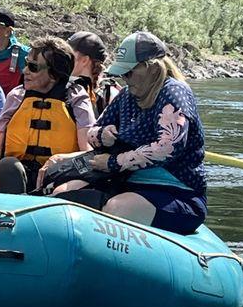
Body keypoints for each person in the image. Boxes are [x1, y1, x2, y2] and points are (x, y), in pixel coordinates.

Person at [51, 31, 207, 234]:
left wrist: (113, 162)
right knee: (63, 191)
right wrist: (102, 135)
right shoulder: (126, 95)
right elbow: (93, 132)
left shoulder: (174, 91)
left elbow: (168, 148)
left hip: (178, 194)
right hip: (126, 183)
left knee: (118, 208)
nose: (125, 79)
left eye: (129, 73)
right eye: (122, 74)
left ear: (151, 68)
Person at [0, 36, 96, 194]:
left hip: (58, 175)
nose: (25, 70)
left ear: (54, 74)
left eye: (33, 67)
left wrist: (58, 160)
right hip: (18, 175)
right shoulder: (16, 96)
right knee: (8, 165)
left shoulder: (76, 97)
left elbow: (87, 151)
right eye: (26, 64)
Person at [68, 31, 121, 117]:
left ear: (84, 60)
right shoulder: (64, 87)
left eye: (70, 55)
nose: (65, 59)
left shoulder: (109, 95)